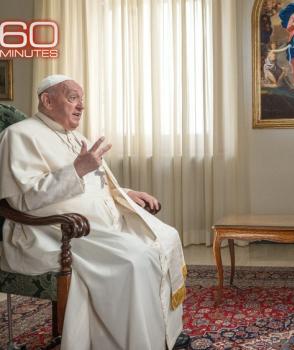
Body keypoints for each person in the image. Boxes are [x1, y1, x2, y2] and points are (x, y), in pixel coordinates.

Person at [0, 75, 190, 350]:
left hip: (95, 225)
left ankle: (161, 335)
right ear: (47, 100)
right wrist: (77, 169)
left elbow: (94, 183)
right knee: (135, 259)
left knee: (164, 239)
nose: (81, 106)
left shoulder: (76, 136)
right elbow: (22, 199)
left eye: (82, 99)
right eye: (72, 97)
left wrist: (126, 194)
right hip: (47, 231)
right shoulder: (19, 136)